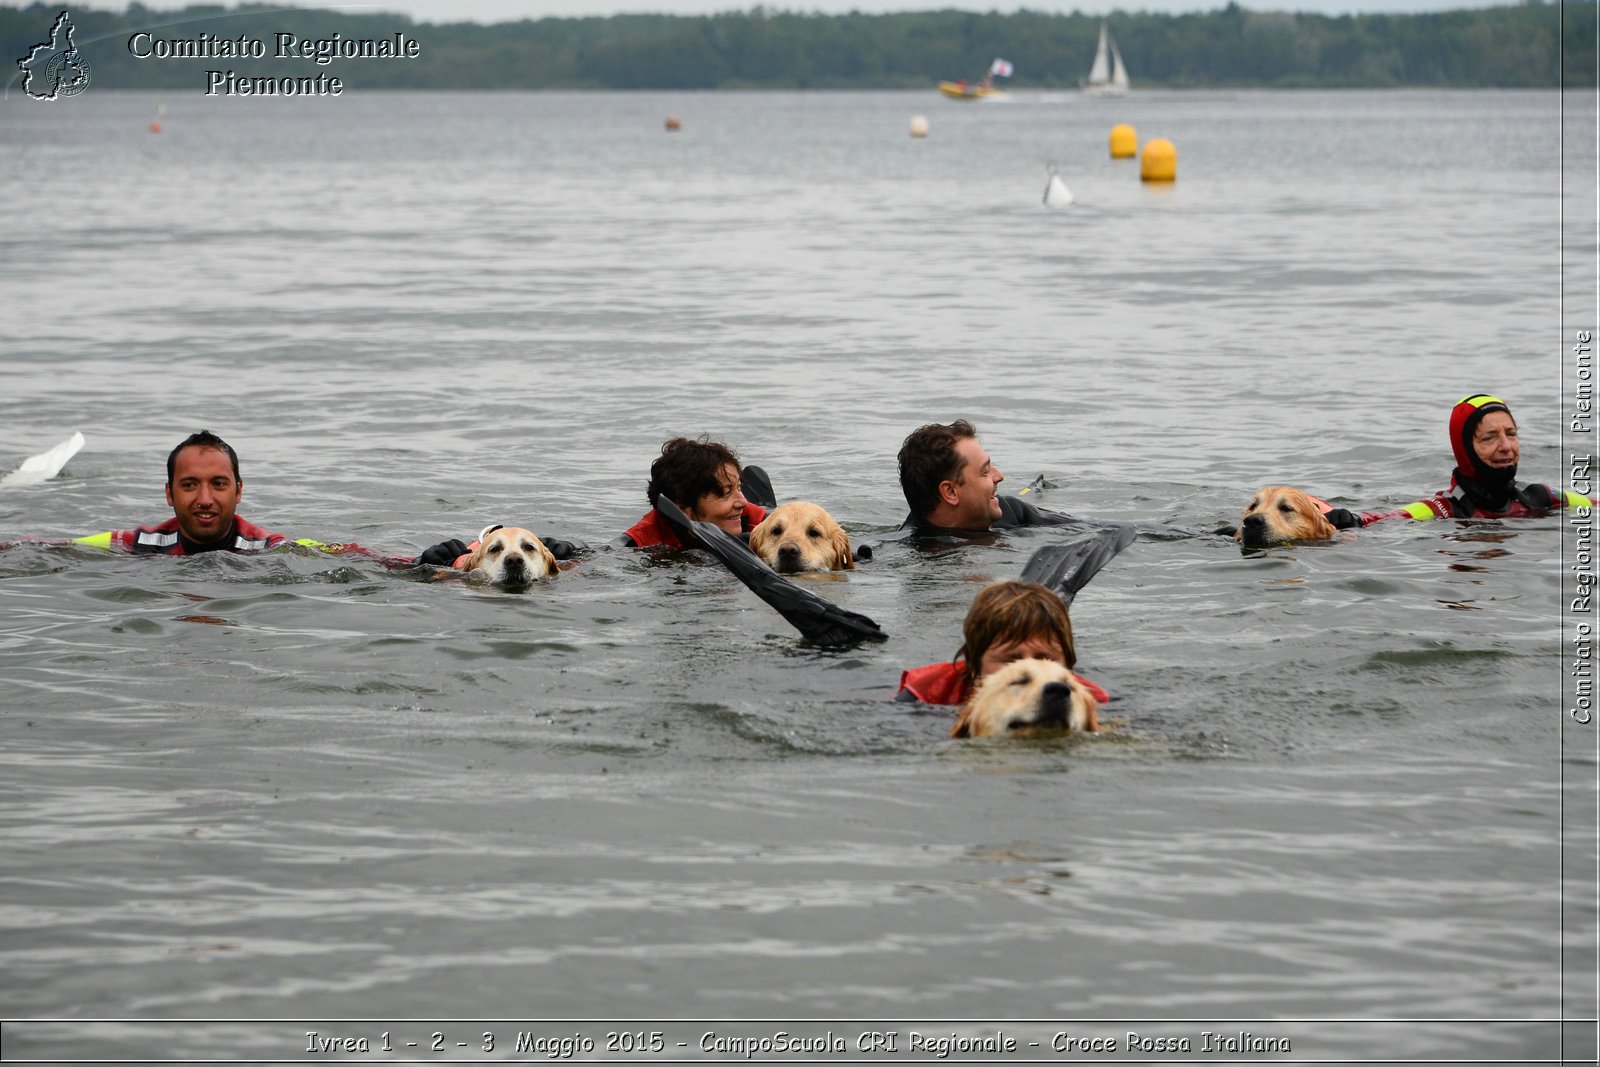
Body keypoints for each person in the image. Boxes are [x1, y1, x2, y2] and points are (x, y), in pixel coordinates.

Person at [1325, 393, 1593, 528]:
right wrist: (1352, 520)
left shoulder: (1540, 497)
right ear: (1464, 449)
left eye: (1511, 434)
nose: (1506, 446)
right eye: (1489, 438)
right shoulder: (1444, 510)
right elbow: (1387, 518)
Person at [73, 430, 290, 555]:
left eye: (219, 484)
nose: (205, 500)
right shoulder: (140, 545)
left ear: (238, 491)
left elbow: (314, 550)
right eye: (189, 485)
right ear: (169, 494)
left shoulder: (267, 549)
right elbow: (58, 548)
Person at [895, 579, 1109, 705]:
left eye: (1044, 658)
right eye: (1011, 659)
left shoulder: (1091, 700)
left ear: (1069, 666)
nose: (1029, 669)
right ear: (974, 664)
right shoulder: (926, 694)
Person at [897, 419, 1077, 535]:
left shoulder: (1012, 511)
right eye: (985, 471)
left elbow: (1093, 531)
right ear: (950, 492)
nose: (999, 476)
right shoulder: (909, 553)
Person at [616, 436, 769, 550]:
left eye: (739, 488)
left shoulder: (751, 516)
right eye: (725, 493)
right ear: (683, 509)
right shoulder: (640, 541)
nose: (743, 502)